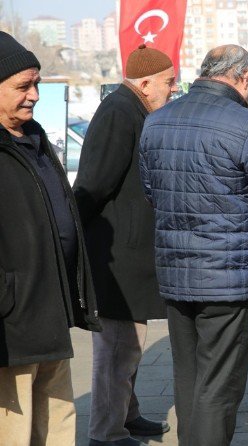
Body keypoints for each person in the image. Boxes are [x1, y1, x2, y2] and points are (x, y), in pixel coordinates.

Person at [139, 45, 248, 446]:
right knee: (219, 385)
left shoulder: (156, 121)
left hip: (176, 270)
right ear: (243, 77)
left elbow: (151, 192)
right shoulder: (247, 125)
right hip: (227, 274)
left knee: (188, 375)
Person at [73, 44, 177, 446]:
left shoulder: (133, 108)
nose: (172, 90)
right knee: (117, 350)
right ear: (146, 83)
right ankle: (106, 433)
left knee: (130, 346)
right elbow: (94, 184)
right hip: (116, 255)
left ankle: (127, 417)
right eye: (168, 83)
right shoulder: (119, 111)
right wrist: (74, 237)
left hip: (128, 250)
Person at [0, 31, 101, 445]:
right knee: (14, 427)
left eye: (36, 83)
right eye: (22, 86)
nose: (34, 95)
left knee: (58, 417)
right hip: (12, 320)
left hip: (52, 308)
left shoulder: (35, 139)